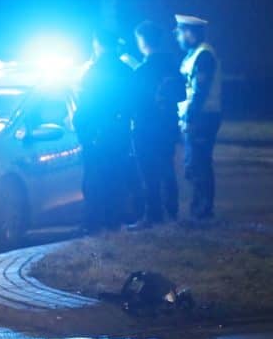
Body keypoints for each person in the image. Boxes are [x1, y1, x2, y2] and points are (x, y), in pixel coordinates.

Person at [74, 29, 134, 233]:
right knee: (117, 177)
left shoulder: (92, 72)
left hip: (96, 134)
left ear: (97, 44)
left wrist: (82, 132)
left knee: (94, 179)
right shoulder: (125, 70)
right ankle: (113, 220)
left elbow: (85, 107)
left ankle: (93, 222)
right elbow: (131, 105)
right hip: (119, 134)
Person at [129, 20, 186, 228]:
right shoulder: (172, 66)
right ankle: (172, 212)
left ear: (142, 41)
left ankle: (152, 215)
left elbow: (133, 102)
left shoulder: (142, 71)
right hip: (167, 126)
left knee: (148, 174)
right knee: (167, 169)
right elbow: (181, 94)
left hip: (146, 128)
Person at [175, 14, 222, 220]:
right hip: (199, 116)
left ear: (189, 33)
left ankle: (203, 211)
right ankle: (200, 209)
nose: (177, 38)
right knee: (194, 164)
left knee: (198, 164)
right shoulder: (194, 54)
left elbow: (199, 91)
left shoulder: (203, 55)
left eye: (179, 33)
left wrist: (190, 118)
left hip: (202, 117)